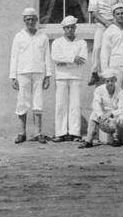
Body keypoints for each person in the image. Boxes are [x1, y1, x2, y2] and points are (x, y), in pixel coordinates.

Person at [9, 7, 55, 144]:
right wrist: (13, 76)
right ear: (24, 20)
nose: (30, 21)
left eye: (33, 19)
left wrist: (48, 76)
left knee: (38, 102)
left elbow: (47, 56)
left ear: (36, 20)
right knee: (22, 102)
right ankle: (21, 133)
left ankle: (38, 133)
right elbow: (14, 57)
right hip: (22, 73)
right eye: (27, 19)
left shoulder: (43, 36)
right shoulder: (18, 36)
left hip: (39, 72)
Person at [50, 15, 88, 141]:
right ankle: (60, 133)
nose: (70, 30)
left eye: (72, 27)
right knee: (61, 104)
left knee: (75, 105)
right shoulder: (57, 42)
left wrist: (64, 60)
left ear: (75, 27)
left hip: (76, 76)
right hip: (61, 76)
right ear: (64, 29)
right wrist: (72, 59)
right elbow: (55, 57)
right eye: (67, 28)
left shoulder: (82, 42)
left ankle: (75, 133)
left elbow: (82, 60)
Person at [79, 68, 123, 147]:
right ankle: (88, 140)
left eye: (112, 81)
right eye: (107, 81)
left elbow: (122, 108)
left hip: (113, 116)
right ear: (104, 81)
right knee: (94, 114)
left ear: (115, 80)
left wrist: (111, 114)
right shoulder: (99, 90)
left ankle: (116, 139)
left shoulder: (120, 91)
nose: (110, 83)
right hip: (102, 116)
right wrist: (101, 115)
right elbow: (95, 104)